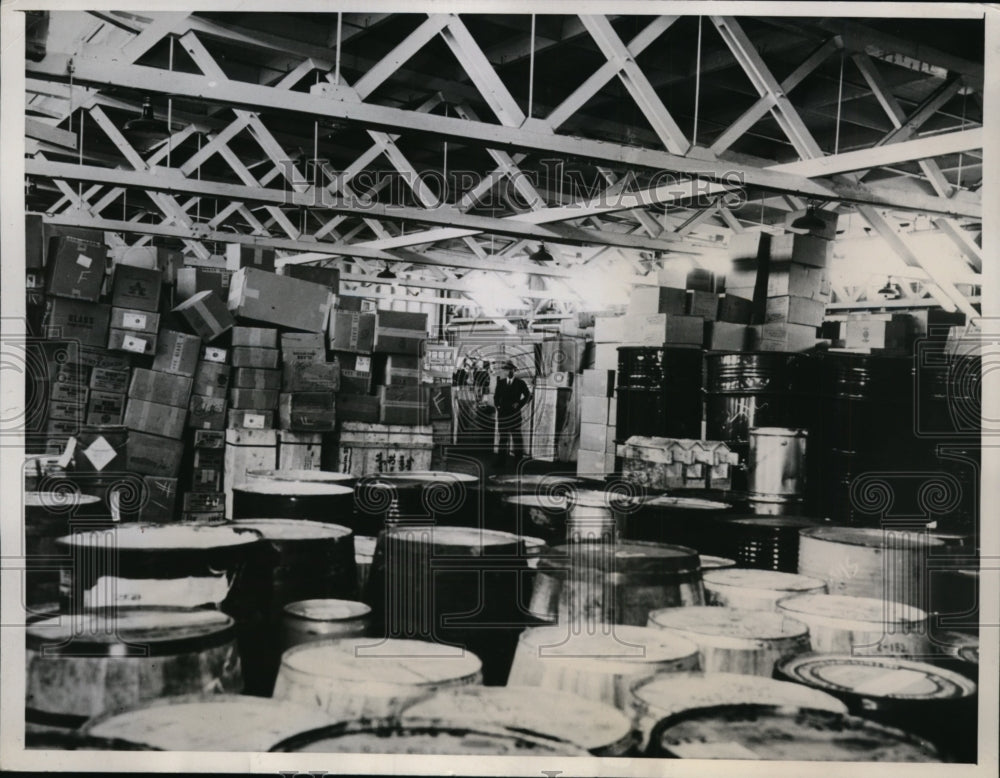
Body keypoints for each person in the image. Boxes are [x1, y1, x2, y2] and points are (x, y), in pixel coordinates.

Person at [494, 360, 531, 461]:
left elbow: (528, 396)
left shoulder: (520, 383)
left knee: (516, 437)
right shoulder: (501, 383)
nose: (507, 372)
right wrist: (498, 407)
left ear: (514, 370)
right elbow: (496, 397)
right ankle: (500, 461)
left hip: (514, 414)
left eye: (510, 370)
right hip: (503, 414)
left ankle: (518, 461)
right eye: (506, 370)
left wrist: (519, 404)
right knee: (503, 438)